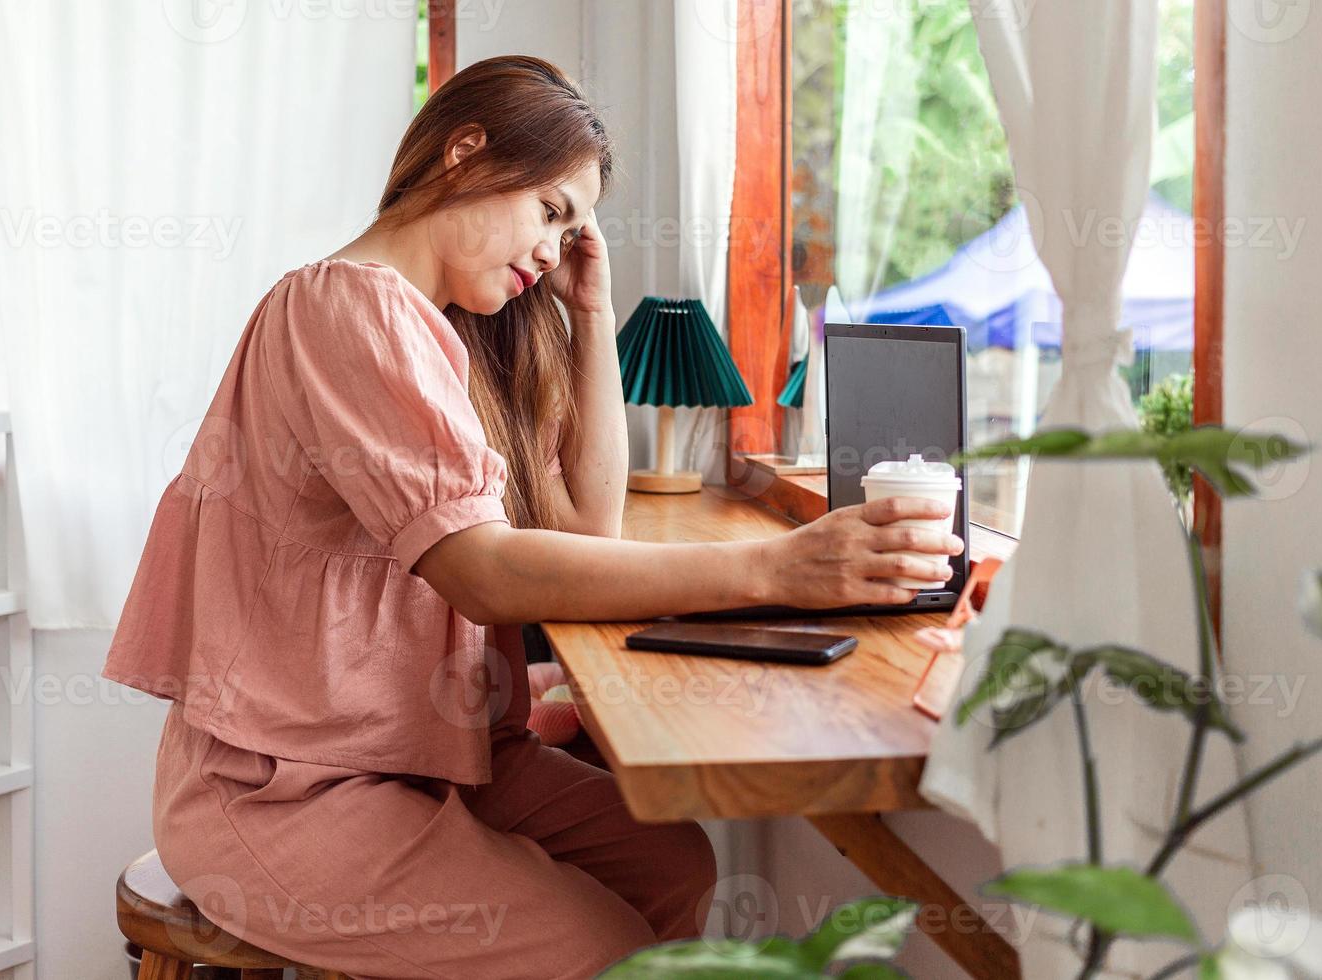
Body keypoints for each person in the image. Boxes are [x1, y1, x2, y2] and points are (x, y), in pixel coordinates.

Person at [101, 55, 961, 980]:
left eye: (572, 229)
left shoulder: (441, 334)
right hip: (283, 792)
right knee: (612, 951)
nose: (556, 248)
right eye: (552, 211)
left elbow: (593, 530)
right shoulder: (341, 307)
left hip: (421, 758)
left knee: (671, 865)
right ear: (466, 152)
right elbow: (482, 570)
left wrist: (592, 310)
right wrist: (779, 567)